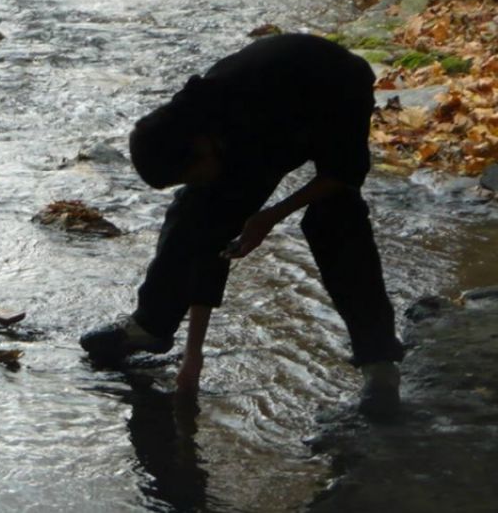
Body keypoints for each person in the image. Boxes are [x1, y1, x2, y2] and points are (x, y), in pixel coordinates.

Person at [79, 33, 404, 415]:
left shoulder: (294, 100)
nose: (197, 181)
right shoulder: (190, 112)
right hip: (249, 131)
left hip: (327, 96)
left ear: (200, 146)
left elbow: (340, 175)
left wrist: (268, 217)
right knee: (194, 212)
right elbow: (210, 242)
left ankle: (379, 364)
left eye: (193, 173)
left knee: (335, 220)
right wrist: (192, 356)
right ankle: (151, 327)